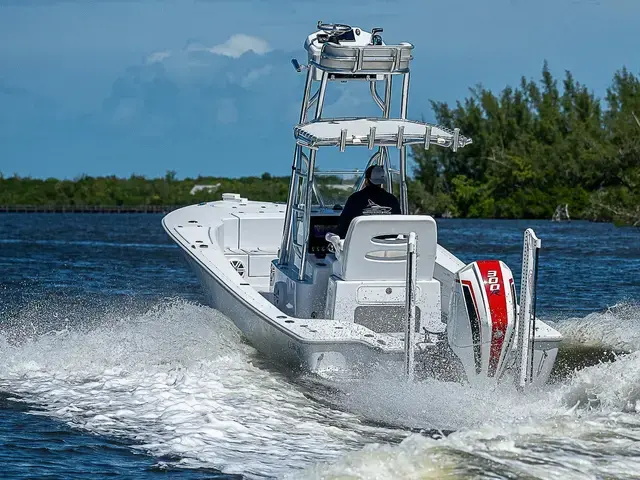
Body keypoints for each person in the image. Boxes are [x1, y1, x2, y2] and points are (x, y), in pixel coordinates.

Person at [337, 165, 401, 238]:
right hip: (388, 246)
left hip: (361, 246)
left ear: (366, 180)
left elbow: (343, 227)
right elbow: (398, 226)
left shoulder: (354, 199)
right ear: (381, 182)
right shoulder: (392, 199)